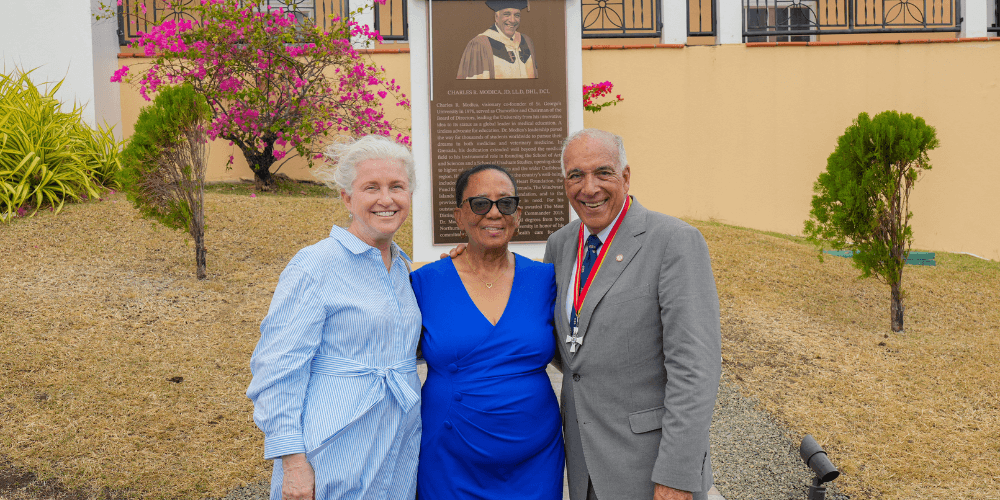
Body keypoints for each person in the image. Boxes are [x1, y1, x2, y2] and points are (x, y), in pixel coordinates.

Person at [544, 129, 722, 500]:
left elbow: (695, 369)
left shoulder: (673, 241)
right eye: (576, 175)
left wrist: (677, 474)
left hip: (651, 472)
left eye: (603, 173)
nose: (588, 188)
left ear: (625, 176)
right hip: (584, 468)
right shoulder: (560, 245)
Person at [246, 135, 421, 500]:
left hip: (397, 448)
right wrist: (293, 462)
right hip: (332, 451)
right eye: (371, 187)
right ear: (347, 197)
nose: (386, 199)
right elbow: (277, 368)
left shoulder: (403, 271)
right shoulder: (315, 264)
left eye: (397, 187)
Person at [412, 164, 564, 499]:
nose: (493, 213)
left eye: (505, 204)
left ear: (518, 214)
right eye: (480, 203)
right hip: (449, 458)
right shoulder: (424, 283)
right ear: (458, 215)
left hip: (535, 460)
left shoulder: (546, 281)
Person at [456, 0, 538, 80]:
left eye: (517, 15)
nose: (512, 20)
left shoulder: (527, 41)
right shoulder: (480, 45)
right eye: (507, 14)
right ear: (496, 17)